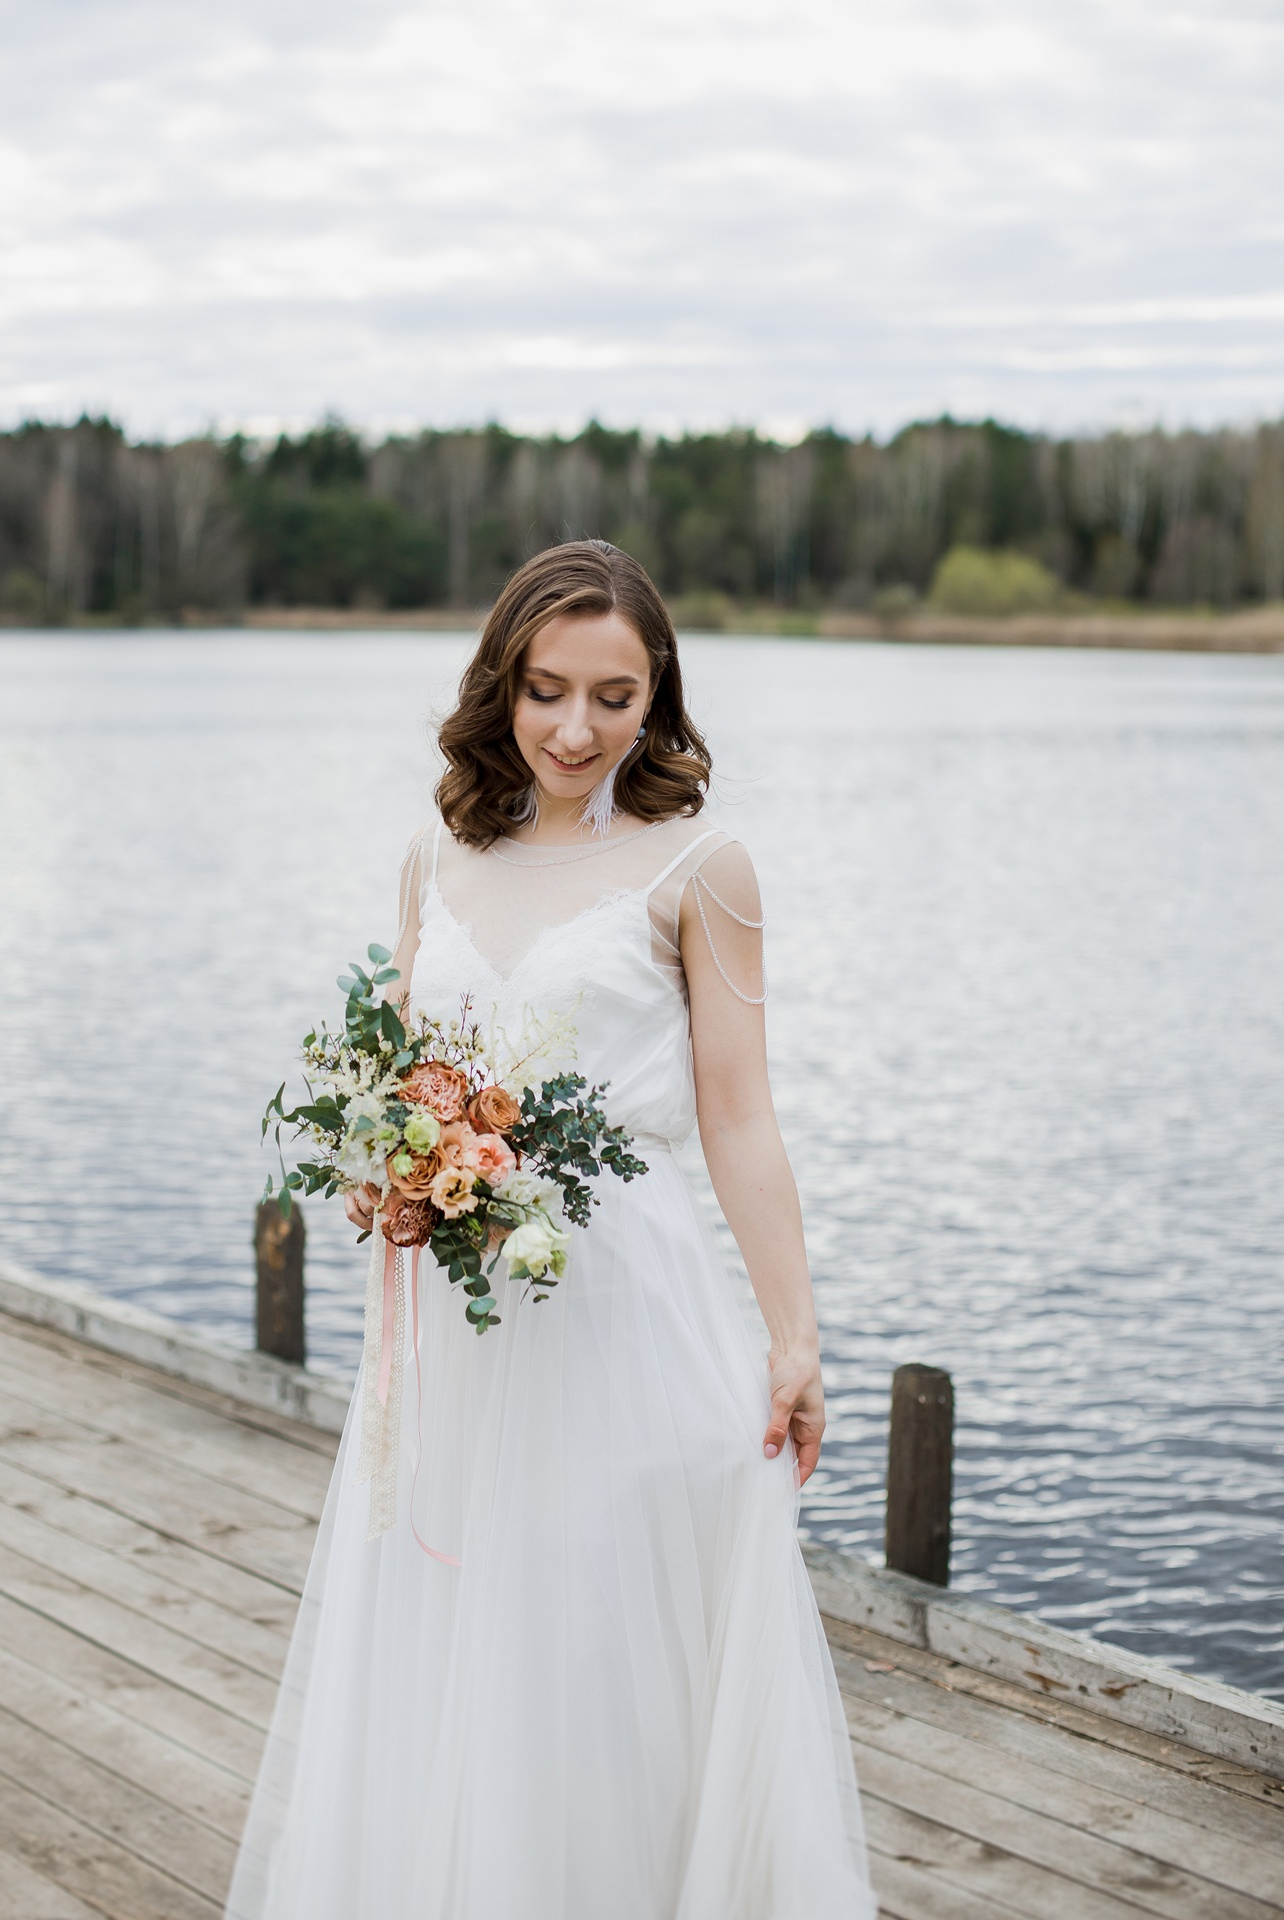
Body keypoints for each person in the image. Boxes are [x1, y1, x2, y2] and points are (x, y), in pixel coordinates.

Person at [225, 540, 874, 1919]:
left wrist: (798, 1337)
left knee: (596, 1655)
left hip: (629, 1319)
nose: (578, 729)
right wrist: (383, 1165)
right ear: (502, 688)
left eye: (617, 696)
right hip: (464, 1331)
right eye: (547, 690)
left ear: (660, 700)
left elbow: (739, 1119)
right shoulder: (434, 855)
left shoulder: (705, 867)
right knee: (457, 1651)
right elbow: (405, 1074)